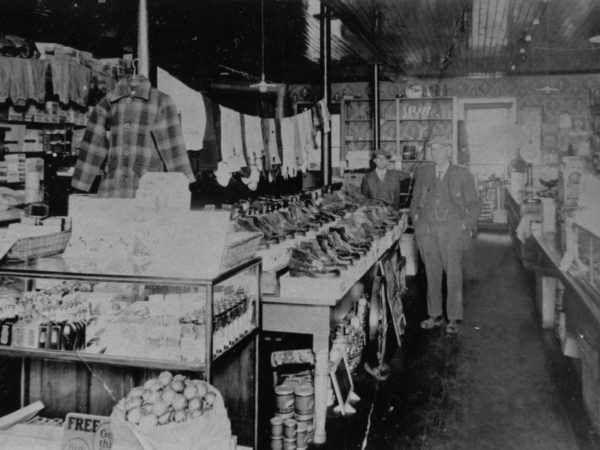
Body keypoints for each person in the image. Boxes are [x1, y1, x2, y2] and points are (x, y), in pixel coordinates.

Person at [409, 141, 481, 335]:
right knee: (432, 274)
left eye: (440, 148)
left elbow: (474, 205)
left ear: (449, 151)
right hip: (428, 231)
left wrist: (463, 225)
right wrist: (417, 221)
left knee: (453, 275)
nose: (436, 152)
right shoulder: (423, 172)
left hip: (452, 231)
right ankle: (435, 315)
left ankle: (454, 317)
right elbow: (414, 200)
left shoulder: (462, 174)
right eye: (433, 149)